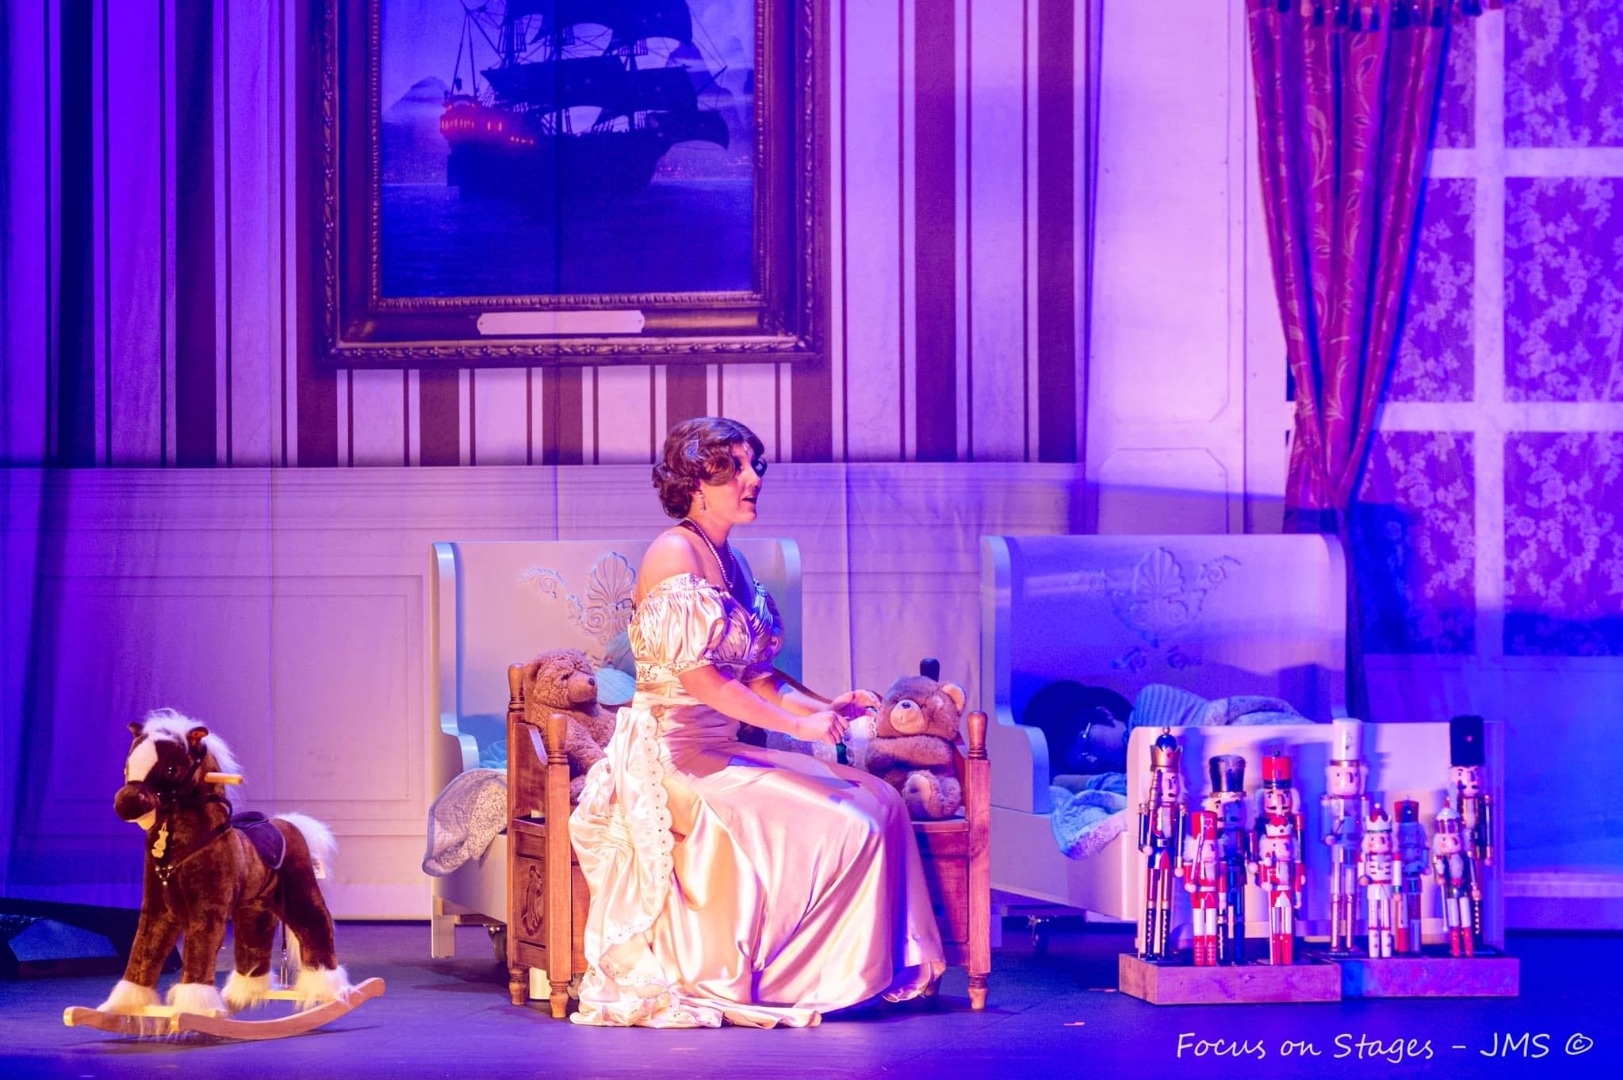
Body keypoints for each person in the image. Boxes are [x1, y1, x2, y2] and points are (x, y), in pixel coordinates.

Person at [568, 417, 945, 1028]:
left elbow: (759, 676)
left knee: (878, 800)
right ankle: (801, 978)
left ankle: (863, 970)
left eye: (754, 466)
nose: (753, 479)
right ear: (696, 482)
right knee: (848, 821)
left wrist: (822, 709)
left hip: (719, 749)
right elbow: (703, 682)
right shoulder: (674, 553)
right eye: (735, 469)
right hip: (671, 760)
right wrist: (797, 730)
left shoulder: (732, 559)